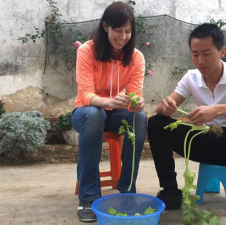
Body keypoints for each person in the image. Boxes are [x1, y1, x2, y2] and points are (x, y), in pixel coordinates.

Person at [147, 23, 226, 225]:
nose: (200, 61)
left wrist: (217, 110)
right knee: (156, 123)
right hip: (204, 141)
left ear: (222, 51)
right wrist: (165, 106)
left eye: (206, 54)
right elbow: (168, 105)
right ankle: (170, 191)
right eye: (195, 54)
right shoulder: (191, 77)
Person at [71, 2, 147, 223]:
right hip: (86, 113)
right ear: (106, 27)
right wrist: (108, 101)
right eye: (118, 30)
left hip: (115, 113)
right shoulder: (87, 51)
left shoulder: (136, 57)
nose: (123, 36)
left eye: (128, 31)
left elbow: (134, 95)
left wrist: (136, 104)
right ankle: (88, 198)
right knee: (95, 114)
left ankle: (127, 191)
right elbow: (85, 94)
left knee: (139, 118)